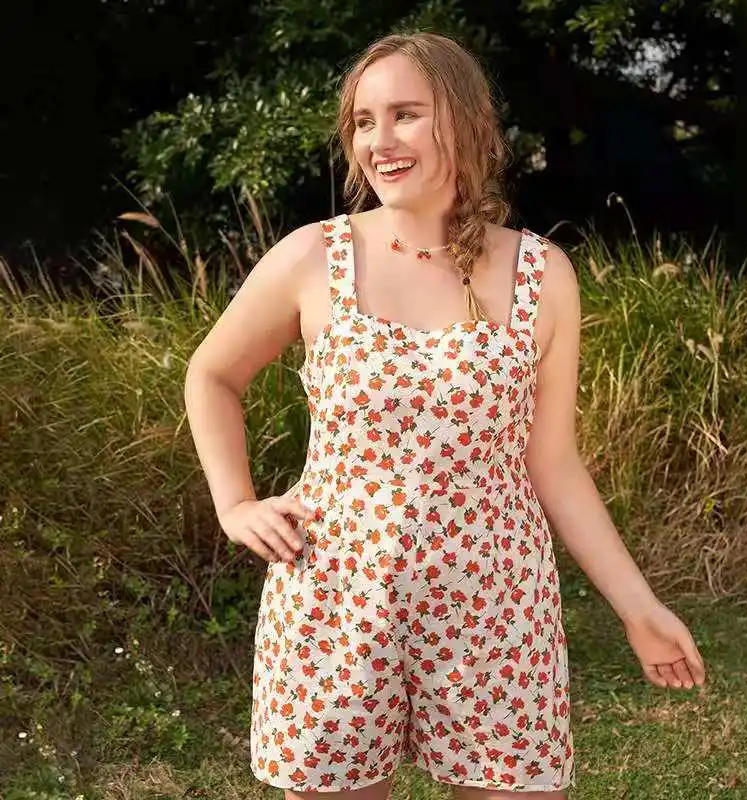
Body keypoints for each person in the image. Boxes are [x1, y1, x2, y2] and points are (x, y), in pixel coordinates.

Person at [183, 31, 706, 800]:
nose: (379, 142)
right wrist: (235, 503)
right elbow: (211, 374)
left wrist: (638, 607)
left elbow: (553, 463)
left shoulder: (542, 274)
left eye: (405, 115)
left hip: (496, 605)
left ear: (463, 120)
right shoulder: (312, 258)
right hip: (336, 599)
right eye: (364, 122)